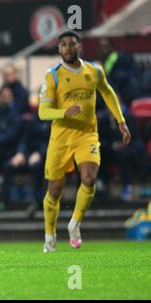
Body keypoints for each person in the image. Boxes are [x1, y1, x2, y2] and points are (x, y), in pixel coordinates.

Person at [38, 30, 131, 253]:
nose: (68, 48)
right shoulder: (53, 76)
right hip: (60, 139)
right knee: (55, 189)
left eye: (72, 44)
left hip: (87, 135)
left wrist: (121, 121)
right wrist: (64, 112)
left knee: (89, 178)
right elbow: (43, 112)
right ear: (58, 49)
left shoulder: (94, 71)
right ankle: (50, 235)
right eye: (63, 44)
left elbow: (107, 92)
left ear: (80, 47)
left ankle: (75, 223)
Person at [0, 113, 50, 215]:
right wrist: (21, 153)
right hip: (29, 156)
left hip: (47, 158)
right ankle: (5, 201)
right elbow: (25, 140)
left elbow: (52, 142)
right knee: (9, 166)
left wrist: (40, 153)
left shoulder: (54, 121)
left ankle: (36, 201)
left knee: (37, 166)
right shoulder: (34, 120)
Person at [98, 105, 149, 201]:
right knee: (98, 153)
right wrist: (112, 144)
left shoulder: (128, 117)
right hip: (110, 149)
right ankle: (101, 184)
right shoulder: (104, 119)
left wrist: (122, 143)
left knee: (122, 155)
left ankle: (127, 186)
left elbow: (135, 137)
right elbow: (100, 137)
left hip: (129, 149)